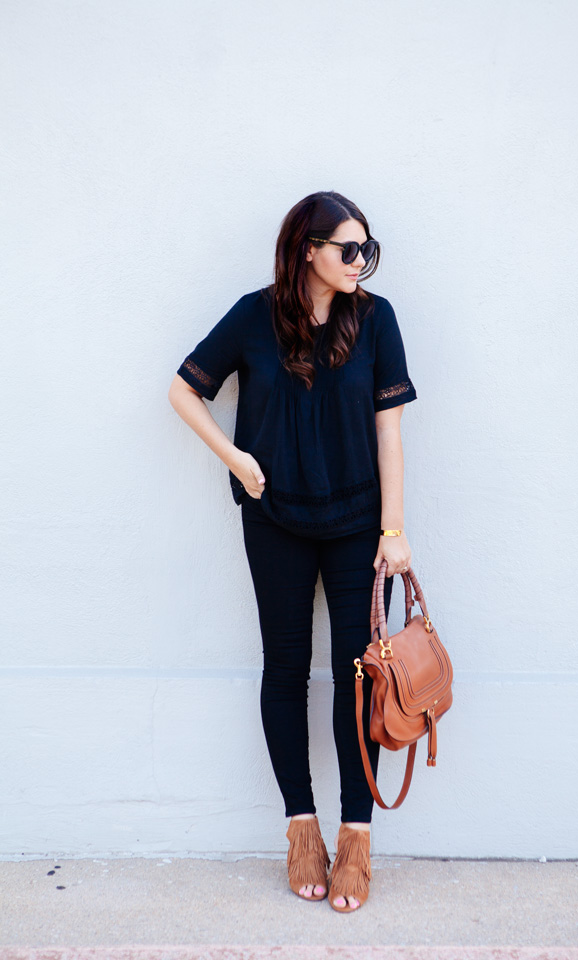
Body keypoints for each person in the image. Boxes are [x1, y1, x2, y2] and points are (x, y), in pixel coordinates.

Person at [168, 190, 418, 912]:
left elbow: (389, 431)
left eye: (367, 249)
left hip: (357, 527)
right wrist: (237, 460)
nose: (359, 262)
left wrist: (394, 531)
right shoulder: (254, 315)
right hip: (274, 518)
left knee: (358, 678)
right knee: (284, 669)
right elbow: (185, 391)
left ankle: (356, 839)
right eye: (347, 249)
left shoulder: (376, 319)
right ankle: (301, 829)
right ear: (307, 249)